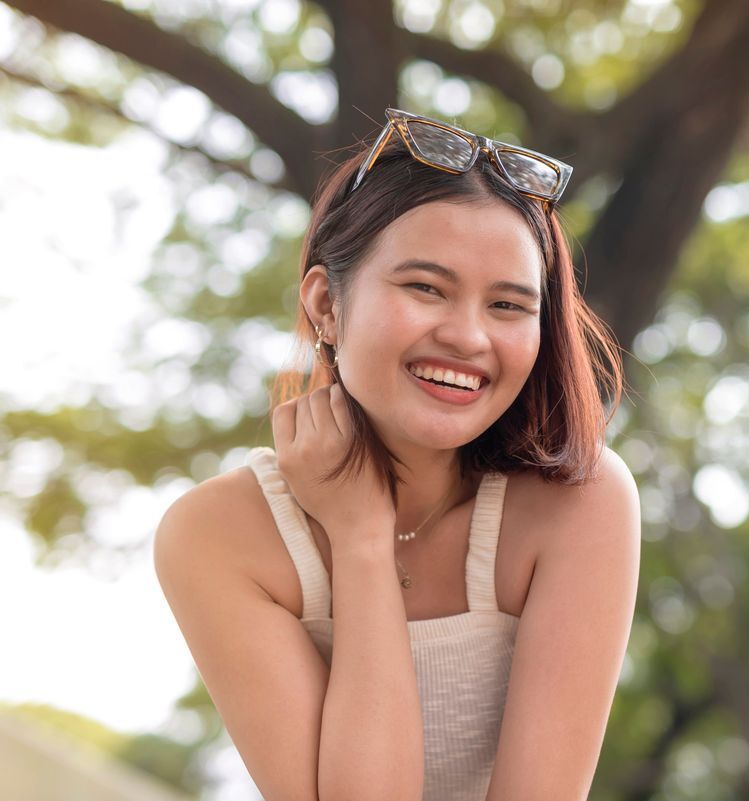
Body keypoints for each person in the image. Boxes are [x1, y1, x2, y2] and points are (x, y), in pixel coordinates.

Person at [154, 107, 643, 801]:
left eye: (507, 305)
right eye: (425, 287)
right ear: (326, 303)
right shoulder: (219, 535)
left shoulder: (579, 501)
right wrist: (358, 537)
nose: (469, 337)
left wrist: (360, 529)